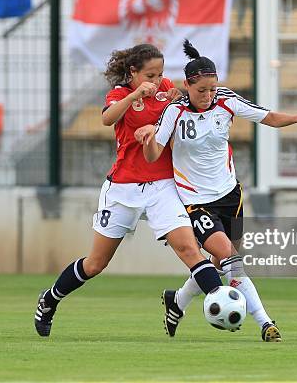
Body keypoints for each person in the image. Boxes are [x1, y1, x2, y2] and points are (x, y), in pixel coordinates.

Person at [34, 43, 223, 337]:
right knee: (95, 263)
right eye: (150, 74)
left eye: (160, 73)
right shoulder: (121, 94)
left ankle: (222, 301)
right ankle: (50, 299)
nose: (157, 79)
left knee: (189, 249)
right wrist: (136, 95)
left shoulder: (167, 90)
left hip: (163, 186)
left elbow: (194, 106)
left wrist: (181, 96)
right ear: (133, 73)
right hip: (123, 189)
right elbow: (107, 118)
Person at [135, 40, 297, 342]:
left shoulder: (226, 100)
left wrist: (296, 117)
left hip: (230, 196)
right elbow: (154, 156)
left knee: (223, 262)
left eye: (212, 89)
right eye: (201, 91)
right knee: (232, 260)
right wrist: (149, 140)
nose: (208, 96)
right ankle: (265, 323)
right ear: (187, 86)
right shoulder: (174, 111)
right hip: (196, 202)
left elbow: (268, 117)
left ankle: (177, 301)